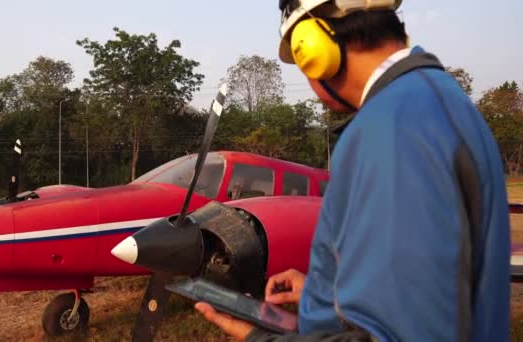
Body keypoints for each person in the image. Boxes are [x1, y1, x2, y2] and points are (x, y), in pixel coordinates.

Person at [195, 0, 511, 341]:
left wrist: (261, 338)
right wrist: (333, 295)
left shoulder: (389, 125)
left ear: (313, 49)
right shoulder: (440, 98)